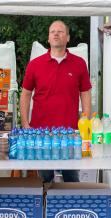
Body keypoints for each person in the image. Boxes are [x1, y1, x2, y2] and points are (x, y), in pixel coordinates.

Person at [20, 20, 92, 183]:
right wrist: (25, 122)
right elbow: (25, 94)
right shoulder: (35, 65)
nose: (56, 34)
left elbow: (85, 92)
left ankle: (72, 208)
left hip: (70, 133)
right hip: (41, 133)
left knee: (71, 178)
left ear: (67, 37)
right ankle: (45, 207)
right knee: (44, 180)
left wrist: (86, 121)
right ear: (48, 38)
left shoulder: (79, 63)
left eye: (60, 31)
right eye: (53, 31)